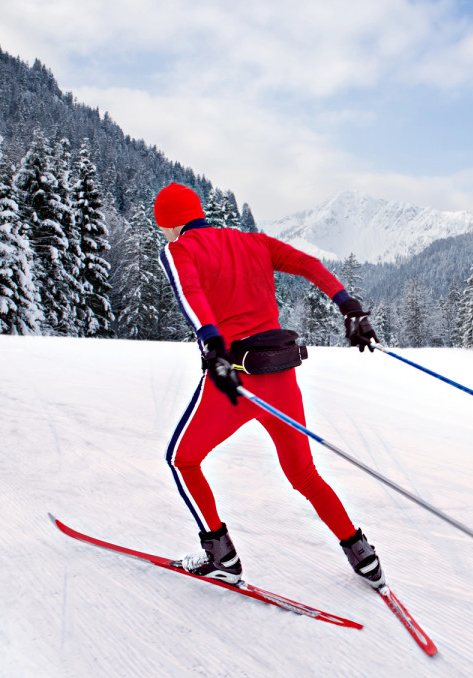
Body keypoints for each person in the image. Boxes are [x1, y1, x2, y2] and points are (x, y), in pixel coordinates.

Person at [151, 182, 384, 589]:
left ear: (170, 225)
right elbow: (308, 264)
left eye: (163, 228)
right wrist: (348, 305)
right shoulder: (252, 242)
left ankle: (220, 554)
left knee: (182, 459)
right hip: (281, 378)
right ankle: (361, 554)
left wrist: (213, 344)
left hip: (235, 382)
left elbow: (190, 293)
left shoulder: (179, 249)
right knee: (304, 474)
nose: (165, 236)